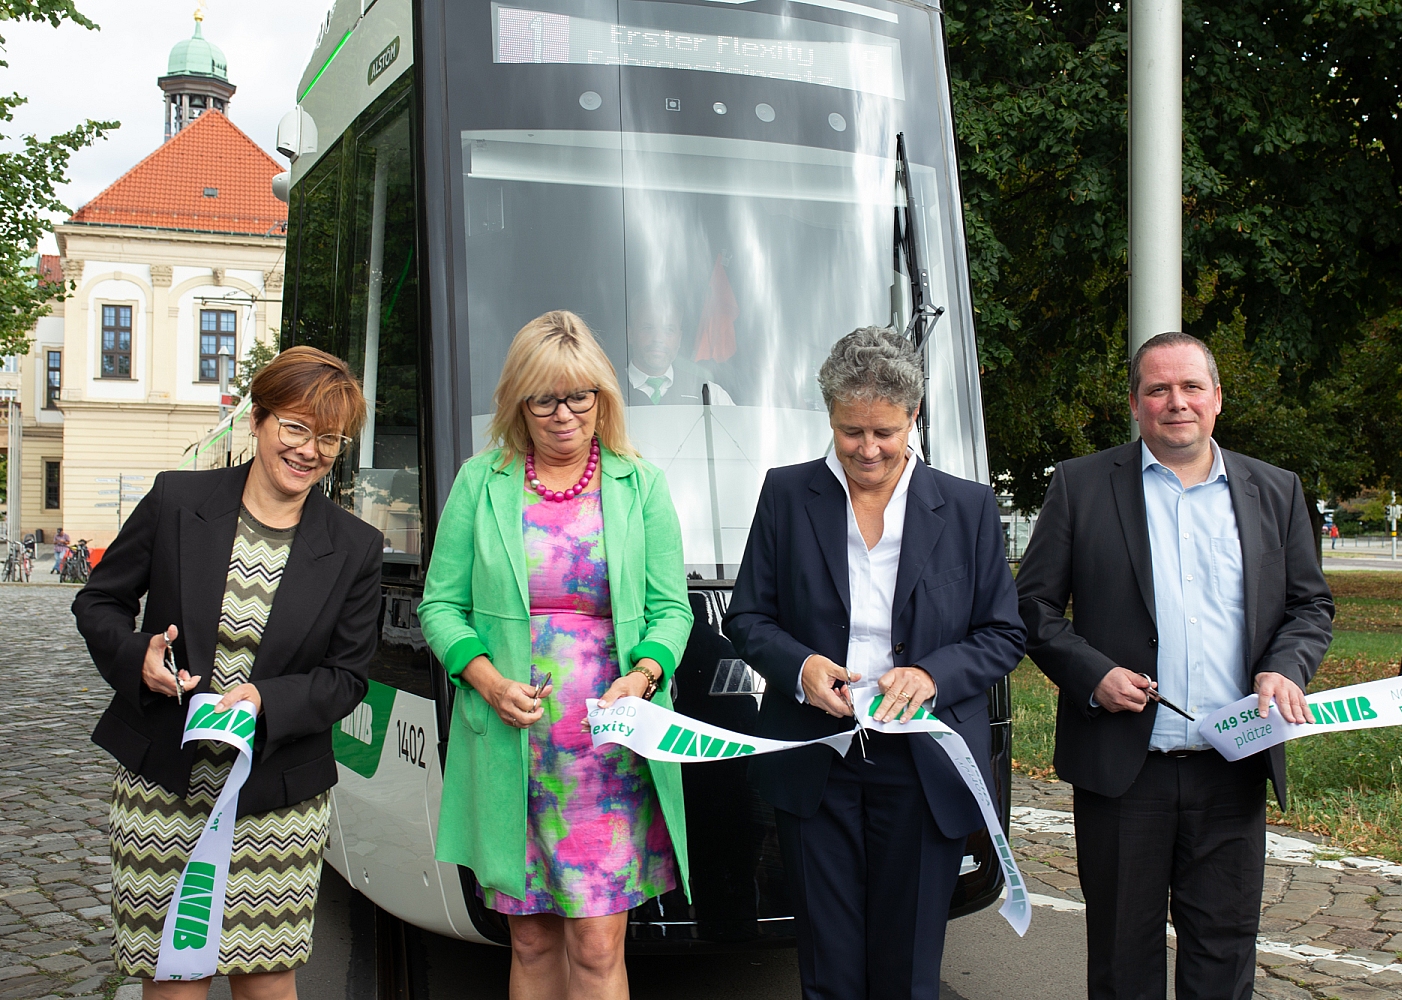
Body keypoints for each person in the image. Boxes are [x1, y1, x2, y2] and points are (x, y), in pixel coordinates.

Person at [1015, 331, 1334, 1000]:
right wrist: (1090, 674)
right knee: (1122, 964)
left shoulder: (1275, 492)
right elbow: (1031, 607)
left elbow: (1309, 607)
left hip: (1234, 767)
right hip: (1123, 774)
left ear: (1217, 398)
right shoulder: (1080, 485)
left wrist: (1285, 669)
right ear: (1135, 403)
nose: (1176, 402)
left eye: (1191, 387)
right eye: (1158, 389)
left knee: (1223, 958)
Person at [724, 327, 1026, 1000]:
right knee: (828, 971)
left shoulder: (969, 507)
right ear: (829, 418)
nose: (867, 449)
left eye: (884, 432)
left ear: (913, 417)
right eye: (849, 431)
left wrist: (933, 674)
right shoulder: (785, 495)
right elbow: (746, 618)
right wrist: (800, 667)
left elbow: (1004, 634)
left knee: (907, 973)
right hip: (815, 758)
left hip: (924, 766)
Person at [72, 346, 383, 1000]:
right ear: (259, 421)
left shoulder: (355, 546)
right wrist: (140, 657)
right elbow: (99, 600)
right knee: (176, 980)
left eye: (329, 438)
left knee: (267, 980)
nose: (309, 450)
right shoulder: (178, 500)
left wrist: (265, 700)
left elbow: (348, 677)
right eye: (295, 428)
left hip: (277, 796)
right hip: (163, 784)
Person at [419, 310, 694, 1000]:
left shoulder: (641, 485)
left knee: (599, 944)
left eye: (580, 395)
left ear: (604, 397)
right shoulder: (481, 482)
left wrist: (643, 675)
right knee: (531, 938)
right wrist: (484, 679)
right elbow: (438, 607)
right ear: (520, 402)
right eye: (544, 397)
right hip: (513, 751)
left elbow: (671, 610)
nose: (564, 413)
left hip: (610, 751)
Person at [625, 301, 734, 406]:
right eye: (648, 328)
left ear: (679, 339)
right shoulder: (609, 392)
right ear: (630, 334)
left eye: (669, 330)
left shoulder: (710, 396)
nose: (658, 339)